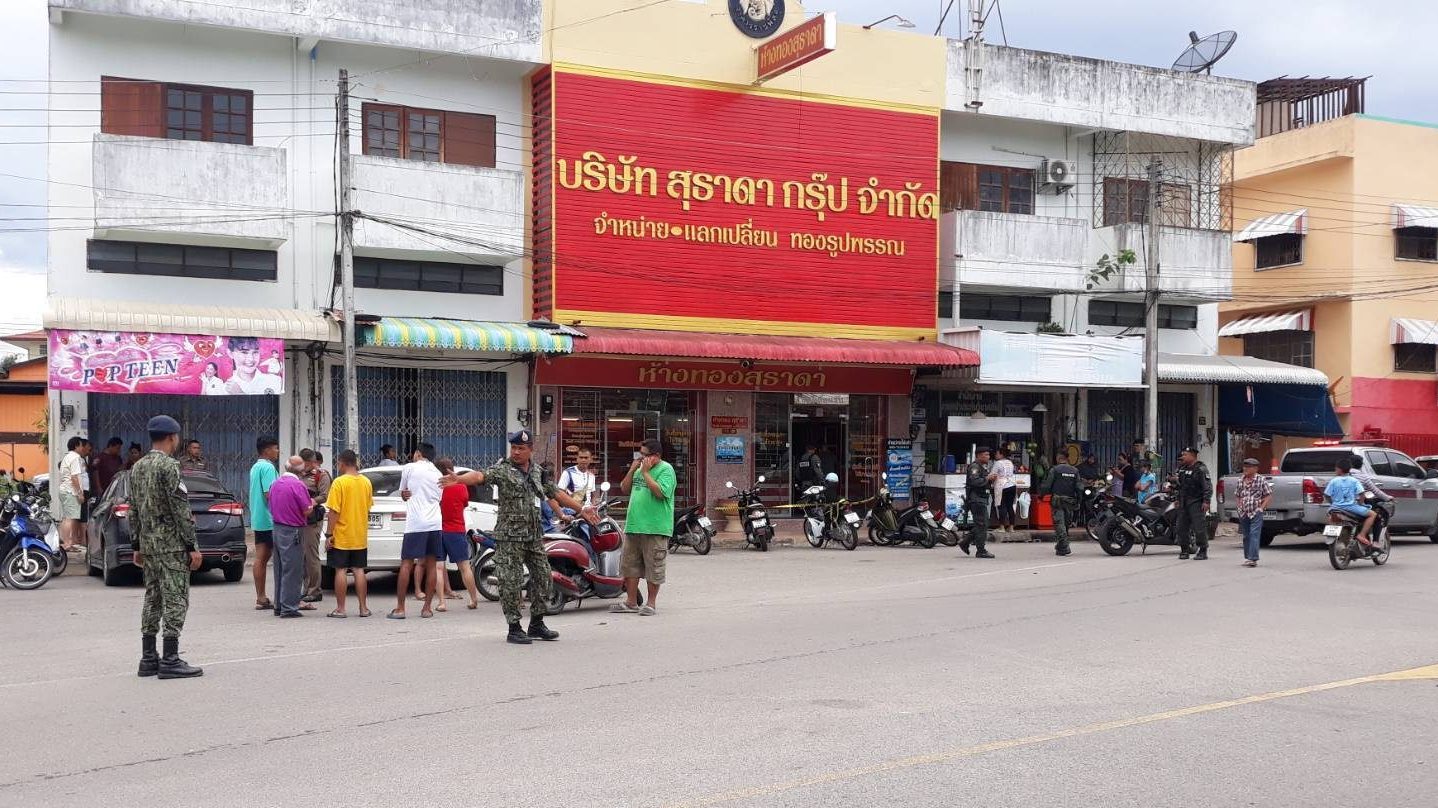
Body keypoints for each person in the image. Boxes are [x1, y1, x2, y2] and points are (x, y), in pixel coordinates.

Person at [442, 430, 594, 644]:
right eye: (513, 448)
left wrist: (581, 509)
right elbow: (480, 476)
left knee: (543, 578)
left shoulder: (537, 472)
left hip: (533, 536)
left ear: (531, 449)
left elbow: (556, 494)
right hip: (509, 537)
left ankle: (537, 624)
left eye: (521, 448)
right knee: (510, 583)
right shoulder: (502, 470)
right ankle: (514, 628)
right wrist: (459, 479)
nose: (516, 452)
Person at [129, 415, 203, 679]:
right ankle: (171, 659)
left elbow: (133, 509)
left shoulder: (137, 467)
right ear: (172, 437)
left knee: (152, 598)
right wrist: (192, 545)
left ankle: (148, 658)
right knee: (175, 599)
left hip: (148, 545)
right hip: (171, 546)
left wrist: (136, 543)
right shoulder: (169, 466)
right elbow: (179, 508)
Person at [611, 438, 676, 616]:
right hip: (634, 525)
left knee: (653, 566)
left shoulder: (666, 469)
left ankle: (651, 603)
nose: (642, 458)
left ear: (656, 456)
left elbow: (661, 493)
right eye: (640, 454)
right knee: (630, 566)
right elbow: (624, 488)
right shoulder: (639, 469)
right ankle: (631, 602)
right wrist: (633, 470)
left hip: (655, 527)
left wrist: (646, 473)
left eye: (645, 455)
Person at [390, 443, 443, 619]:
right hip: (435, 523)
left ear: (418, 454)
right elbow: (438, 498)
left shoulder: (409, 468)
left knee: (406, 563)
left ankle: (400, 608)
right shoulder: (438, 473)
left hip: (415, 523)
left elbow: (404, 492)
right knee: (432, 564)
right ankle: (427, 608)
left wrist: (406, 495)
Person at [324, 450, 373, 619]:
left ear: (342, 463)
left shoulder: (339, 483)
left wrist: (329, 534)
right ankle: (363, 608)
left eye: (338, 464)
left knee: (341, 570)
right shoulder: (366, 482)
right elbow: (367, 507)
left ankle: (341, 609)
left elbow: (333, 512)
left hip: (342, 535)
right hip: (359, 535)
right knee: (359, 570)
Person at [267, 456, 314, 618]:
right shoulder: (298, 485)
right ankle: (289, 607)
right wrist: (313, 504)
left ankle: (279, 605)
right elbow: (307, 510)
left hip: (277, 528)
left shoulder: (275, 484)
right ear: (301, 471)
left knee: (280, 568)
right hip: (293, 529)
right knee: (293, 569)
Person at [434, 458, 481, 611]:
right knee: (464, 567)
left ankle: (441, 602)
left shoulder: (436, 487)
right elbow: (465, 503)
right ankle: (473, 599)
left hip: (438, 530)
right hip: (456, 530)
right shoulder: (461, 486)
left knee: (439, 568)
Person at [249, 437, 281, 610]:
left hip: (258, 518)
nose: (277, 451)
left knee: (260, 558)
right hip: (269, 519)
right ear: (267, 450)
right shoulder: (268, 467)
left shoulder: (256, 467)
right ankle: (277, 596)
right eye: (275, 448)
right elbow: (270, 494)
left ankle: (261, 597)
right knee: (276, 558)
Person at [299, 449, 331, 604]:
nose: (302, 466)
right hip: (298, 518)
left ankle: (315, 590)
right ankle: (306, 589)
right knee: (302, 556)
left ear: (311, 462)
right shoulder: (298, 474)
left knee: (311, 555)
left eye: (304, 463)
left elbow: (325, 496)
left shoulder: (321, 475)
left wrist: (311, 501)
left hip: (312, 520)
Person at [1325, 457, 1378, 545]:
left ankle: (1331, 534)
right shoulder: (1354, 480)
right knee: (1373, 514)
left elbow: (1327, 495)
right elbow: (1362, 494)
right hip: (1351, 507)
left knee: (1330, 517)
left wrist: (1332, 503)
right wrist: (1360, 503)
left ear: (1338, 469)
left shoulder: (1333, 481)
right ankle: (1362, 535)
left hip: (1335, 508)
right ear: (1349, 469)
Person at [1172, 447, 1212, 560]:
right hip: (1183, 502)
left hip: (1196, 502)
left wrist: (1206, 501)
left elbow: (1207, 487)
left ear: (1192, 456)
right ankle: (1184, 550)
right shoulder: (1182, 469)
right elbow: (1180, 487)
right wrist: (1177, 499)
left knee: (1199, 527)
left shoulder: (1200, 469)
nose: (1182, 457)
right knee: (1181, 527)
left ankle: (1203, 550)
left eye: (1185, 455)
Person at [1233, 458, 1273, 567]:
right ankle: (1248, 557)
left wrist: (1261, 508)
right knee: (1246, 535)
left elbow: (1268, 495)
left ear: (1255, 468)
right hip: (1243, 512)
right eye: (1244, 467)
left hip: (1256, 511)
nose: (1245, 469)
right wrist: (1239, 506)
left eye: (1248, 467)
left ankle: (1253, 558)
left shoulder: (1261, 480)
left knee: (1254, 534)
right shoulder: (1240, 480)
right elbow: (1237, 494)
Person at [1042, 450, 1080, 556]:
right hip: (1070, 501)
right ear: (1067, 458)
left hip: (1057, 500)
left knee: (1060, 524)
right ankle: (1060, 545)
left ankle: (1064, 547)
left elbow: (1047, 485)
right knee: (1066, 523)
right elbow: (1079, 487)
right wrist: (1079, 500)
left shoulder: (1055, 469)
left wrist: (1042, 495)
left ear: (1059, 458)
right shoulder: (1075, 471)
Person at [959, 447, 996, 558]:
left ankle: (965, 542)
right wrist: (988, 478)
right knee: (982, 524)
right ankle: (981, 550)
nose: (988, 457)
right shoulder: (975, 467)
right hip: (976, 499)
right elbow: (974, 481)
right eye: (985, 455)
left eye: (989, 455)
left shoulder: (982, 467)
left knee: (982, 524)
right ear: (979, 455)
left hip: (981, 498)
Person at [56, 436, 90, 552]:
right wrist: (80, 493)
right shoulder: (75, 458)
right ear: (76, 446)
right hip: (71, 491)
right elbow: (74, 477)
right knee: (69, 518)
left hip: (66, 490)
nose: (82, 448)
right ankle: (67, 544)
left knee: (70, 517)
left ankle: (70, 543)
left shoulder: (68, 456)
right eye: (81, 445)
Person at [991, 447, 1017, 534]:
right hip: (1012, 485)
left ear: (1001, 454)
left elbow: (993, 475)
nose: (995, 455)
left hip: (1002, 486)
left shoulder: (998, 463)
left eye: (997, 453)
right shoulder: (1010, 462)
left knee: (1002, 506)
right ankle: (1011, 527)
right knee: (1010, 506)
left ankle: (1002, 527)